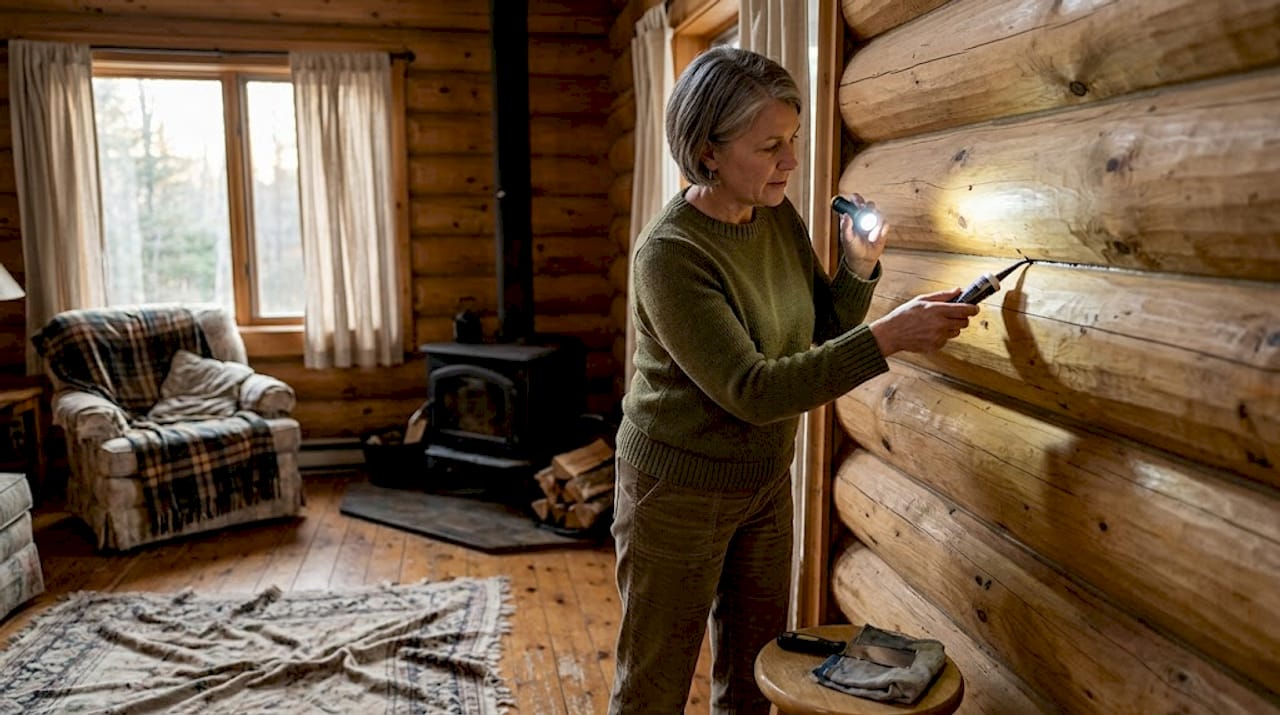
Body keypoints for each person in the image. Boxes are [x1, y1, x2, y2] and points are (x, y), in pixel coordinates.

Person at [609, 46, 979, 714]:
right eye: (771, 145)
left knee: (754, 676)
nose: (792, 161)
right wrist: (891, 334)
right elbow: (754, 390)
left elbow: (825, 327)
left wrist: (859, 267)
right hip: (675, 489)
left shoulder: (775, 215)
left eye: (795, 139)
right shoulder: (670, 255)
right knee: (653, 685)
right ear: (707, 151)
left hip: (763, 481)